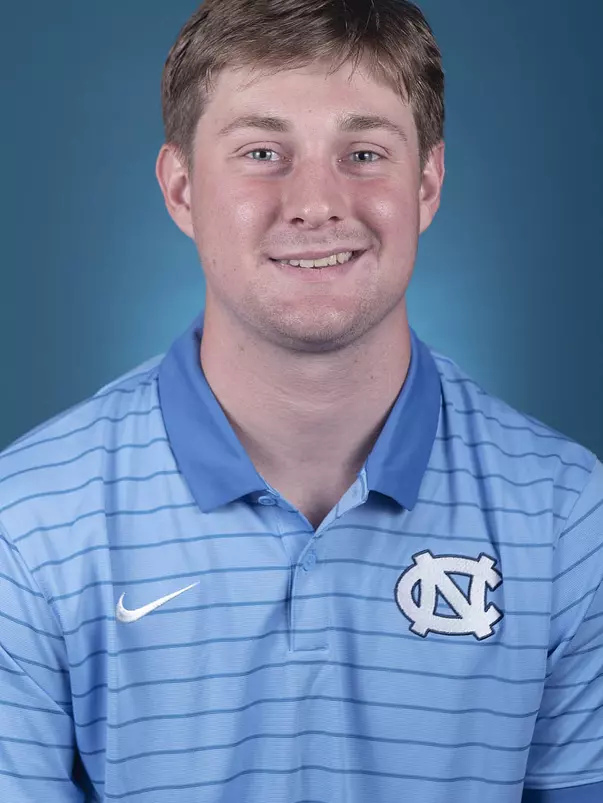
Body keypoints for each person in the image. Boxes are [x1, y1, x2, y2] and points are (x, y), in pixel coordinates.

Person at [0, 0, 602, 800]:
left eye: (363, 153)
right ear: (181, 189)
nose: (316, 203)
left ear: (425, 183)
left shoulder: (567, 518)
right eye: (262, 152)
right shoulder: (27, 524)